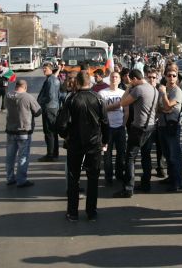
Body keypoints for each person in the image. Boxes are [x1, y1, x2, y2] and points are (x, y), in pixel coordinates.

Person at [60, 71, 109, 221]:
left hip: (75, 143)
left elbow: (61, 124)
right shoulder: (98, 98)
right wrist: (104, 141)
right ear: (91, 82)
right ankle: (91, 212)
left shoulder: (71, 99)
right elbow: (105, 122)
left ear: (78, 82)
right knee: (93, 178)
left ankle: (73, 212)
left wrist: (66, 136)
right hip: (94, 143)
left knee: (74, 178)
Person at [113, 69, 158, 198]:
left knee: (130, 157)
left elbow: (122, 102)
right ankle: (146, 184)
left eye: (131, 81)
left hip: (139, 127)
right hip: (150, 125)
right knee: (146, 156)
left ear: (134, 79)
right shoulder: (153, 89)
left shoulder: (138, 89)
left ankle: (128, 188)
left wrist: (129, 88)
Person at [5, 80, 42, 187]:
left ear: (16, 86)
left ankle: (10, 178)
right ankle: (21, 180)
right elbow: (38, 112)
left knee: (10, 156)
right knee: (23, 157)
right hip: (23, 131)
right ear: (25, 87)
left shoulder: (8, 95)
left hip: (10, 130)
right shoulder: (28, 97)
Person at [157, 65, 182, 191]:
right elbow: (159, 109)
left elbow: (167, 107)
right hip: (162, 125)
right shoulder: (165, 89)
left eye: (174, 75)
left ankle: (178, 182)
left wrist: (163, 94)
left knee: (174, 155)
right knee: (167, 154)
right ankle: (171, 177)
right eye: (169, 75)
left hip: (172, 126)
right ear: (165, 76)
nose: (171, 78)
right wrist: (164, 109)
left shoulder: (177, 91)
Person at [99, 72, 128, 185]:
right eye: (112, 77)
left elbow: (126, 111)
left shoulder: (123, 93)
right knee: (107, 154)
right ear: (109, 79)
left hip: (120, 127)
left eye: (116, 77)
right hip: (108, 128)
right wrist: (114, 106)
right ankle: (108, 177)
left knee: (121, 153)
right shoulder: (102, 93)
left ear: (120, 79)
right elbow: (100, 111)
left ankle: (119, 174)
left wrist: (124, 124)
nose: (114, 79)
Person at [37, 62, 61, 162]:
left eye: (46, 68)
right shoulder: (54, 79)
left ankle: (50, 154)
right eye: (43, 68)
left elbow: (50, 96)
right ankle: (54, 153)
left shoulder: (51, 80)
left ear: (51, 70)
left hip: (49, 108)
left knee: (49, 132)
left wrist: (41, 102)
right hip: (54, 108)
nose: (44, 70)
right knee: (53, 132)